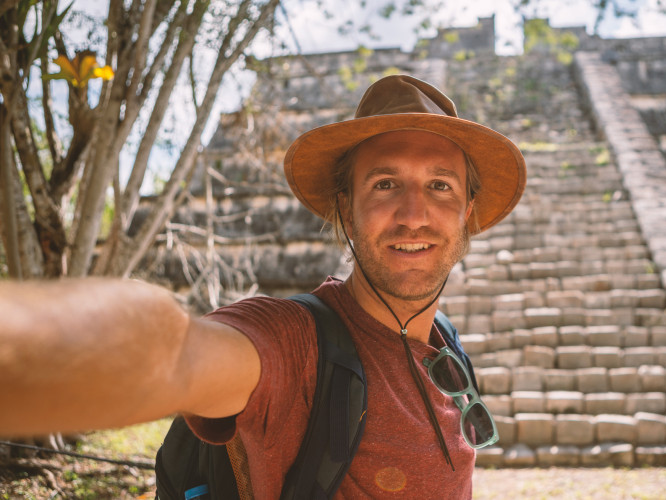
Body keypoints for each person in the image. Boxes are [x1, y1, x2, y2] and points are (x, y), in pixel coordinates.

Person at [0, 75, 526, 498]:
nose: (414, 216)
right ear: (345, 207)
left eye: (440, 185)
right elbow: (171, 352)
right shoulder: (295, 344)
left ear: (467, 212)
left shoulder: (445, 345)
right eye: (384, 183)